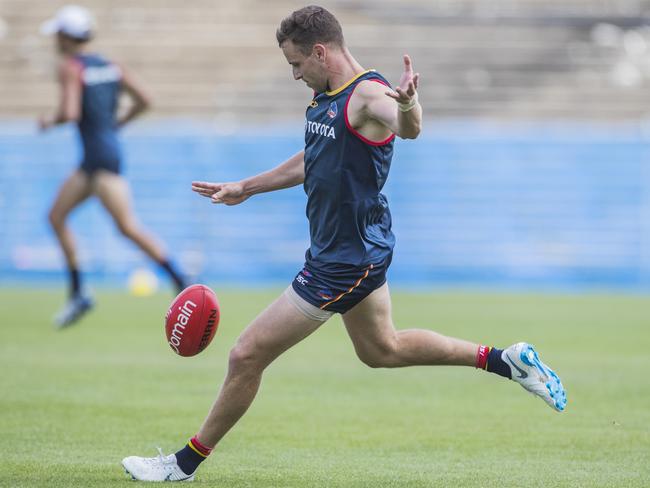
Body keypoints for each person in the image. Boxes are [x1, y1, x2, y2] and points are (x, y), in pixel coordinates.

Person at [122, 5, 567, 482]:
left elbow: (409, 127)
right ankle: (507, 360)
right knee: (382, 350)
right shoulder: (325, 100)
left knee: (246, 354)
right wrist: (246, 187)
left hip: (344, 260)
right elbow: (313, 158)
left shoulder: (368, 95)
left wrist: (408, 103)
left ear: (319, 51)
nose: (294, 74)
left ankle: (182, 464)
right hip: (352, 249)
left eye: (296, 64)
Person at [39, 5, 187, 328]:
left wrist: (49, 121)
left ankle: (182, 282)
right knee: (58, 216)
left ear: (65, 37)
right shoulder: (109, 65)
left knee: (126, 226)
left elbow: (71, 112)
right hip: (101, 157)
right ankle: (79, 292)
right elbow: (145, 99)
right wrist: (117, 124)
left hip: (97, 159)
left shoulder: (70, 67)